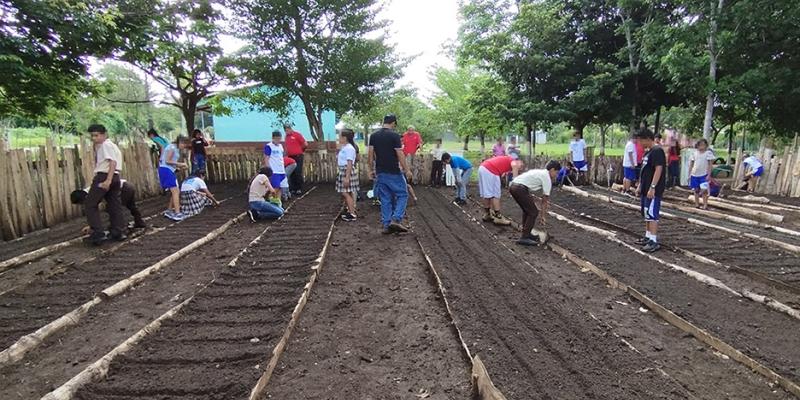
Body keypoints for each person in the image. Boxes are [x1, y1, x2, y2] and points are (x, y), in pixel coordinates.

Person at [368, 115, 412, 234]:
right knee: (403, 194)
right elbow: (400, 154)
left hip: (380, 171)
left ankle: (386, 225)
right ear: (393, 123)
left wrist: (370, 169)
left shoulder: (374, 136)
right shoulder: (394, 136)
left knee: (385, 198)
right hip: (393, 171)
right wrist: (406, 169)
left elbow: (370, 153)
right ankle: (396, 219)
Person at [84, 124, 126, 245]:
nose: (94, 138)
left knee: (90, 204)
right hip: (116, 177)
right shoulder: (112, 145)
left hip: (105, 175)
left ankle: (98, 233)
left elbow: (112, 162)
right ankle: (118, 231)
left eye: (96, 135)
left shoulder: (105, 145)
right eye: (92, 136)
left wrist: (107, 180)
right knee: (114, 204)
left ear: (104, 134)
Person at [509, 160, 561, 246]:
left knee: (527, 210)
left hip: (514, 186)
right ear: (552, 170)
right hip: (520, 188)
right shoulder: (546, 178)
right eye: (556, 172)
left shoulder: (540, 172)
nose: (556, 175)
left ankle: (526, 233)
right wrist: (543, 216)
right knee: (533, 212)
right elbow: (544, 200)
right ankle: (524, 237)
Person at [71, 179, 146, 233]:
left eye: (81, 203)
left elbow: (94, 212)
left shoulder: (92, 193)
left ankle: (120, 227)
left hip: (123, 189)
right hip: (128, 185)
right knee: (131, 206)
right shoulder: (91, 190)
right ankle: (139, 222)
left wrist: (92, 227)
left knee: (115, 209)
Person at [634, 128, 666, 253]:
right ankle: (648, 236)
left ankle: (653, 240)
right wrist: (640, 185)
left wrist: (653, 187)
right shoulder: (648, 152)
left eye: (640, 141)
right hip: (645, 188)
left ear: (647, 139)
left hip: (653, 189)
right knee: (646, 213)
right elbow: (645, 171)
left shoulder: (657, 151)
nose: (639, 144)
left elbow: (658, 169)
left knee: (652, 214)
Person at [478, 152, 523, 225]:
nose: (521, 168)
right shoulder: (514, 162)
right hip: (490, 170)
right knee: (495, 194)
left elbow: (503, 173)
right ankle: (498, 218)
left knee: (486, 193)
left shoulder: (507, 160)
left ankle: (487, 214)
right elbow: (515, 173)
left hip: (483, 167)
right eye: (521, 166)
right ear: (519, 161)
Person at [159, 136, 190, 221]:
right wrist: (181, 164)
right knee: (175, 191)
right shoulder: (172, 147)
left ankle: (169, 211)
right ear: (180, 142)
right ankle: (177, 213)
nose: (184, 146)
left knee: (175, 191)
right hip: (166, 170)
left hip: (168, 170)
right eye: (184, 144)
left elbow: (170, 162)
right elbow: (167, 161)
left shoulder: (175, 148)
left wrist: (178, 167)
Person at [337, 129, 360, 221]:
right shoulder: (345, 147)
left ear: (345, 138)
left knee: (345, 192)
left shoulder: (349, 148)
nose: (339, 138)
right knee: (348, 192)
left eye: (340, 136)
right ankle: (351, 211)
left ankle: (352, 214)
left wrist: (347, 177)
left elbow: (350, 163)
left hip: (347, 171)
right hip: (344, 170)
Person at [688, 139, 715, 209]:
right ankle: (697, 204)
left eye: (703, 145)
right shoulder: (694, 153)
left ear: (706, 145)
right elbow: (691, 164)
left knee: (704, 190)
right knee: (696, 190)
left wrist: (709, 175)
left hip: (704, 175)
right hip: (694, 174)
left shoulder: (708, 153)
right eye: (700, 145)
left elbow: (710, 165)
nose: (701, 146)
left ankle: (705, 204)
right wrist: (689, 174)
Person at [263, 130, 287, 205]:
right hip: (274, 171)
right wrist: (269, 169)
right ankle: (268, 200)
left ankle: (278, 202)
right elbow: (266, 158)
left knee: (280, 188)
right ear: (273, 138)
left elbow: (281, 157)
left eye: (280, 139)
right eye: (277, 139)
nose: (278, 140)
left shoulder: (280, 146)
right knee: (275, 187)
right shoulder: (269, 146)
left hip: (281, 170)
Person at [284, 123, 308, 195]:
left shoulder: (297, 135)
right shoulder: (286, 137)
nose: (287, 130)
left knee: (298, 171)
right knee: (292, 173)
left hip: (298, 156)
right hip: (290, 157)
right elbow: (286, 146)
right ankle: (293, 188)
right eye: (286, 129)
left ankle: (299, 188)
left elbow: (305, 144)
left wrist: (301, 150)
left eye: (288, 129)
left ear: (291, 128)